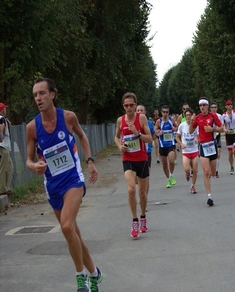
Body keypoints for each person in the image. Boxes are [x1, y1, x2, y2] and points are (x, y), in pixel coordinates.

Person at [26, 78, 103, 292]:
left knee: (67, 226)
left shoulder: (68, 117)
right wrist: (35, 167)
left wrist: (90, 162)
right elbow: (28, 160)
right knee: (73, 234)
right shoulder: (32, 127)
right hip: (53, 185)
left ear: (52, 94)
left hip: (73, 180)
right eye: (35, 95)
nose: (38, 98)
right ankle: (95, 273)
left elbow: (82, 136)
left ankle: (81, 277)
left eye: (42, 93)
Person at [114, 93, 153, 239]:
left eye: (131, 105)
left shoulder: (141, 118)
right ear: (123, 106)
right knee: (131, 189)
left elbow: (150, 139)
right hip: (128, 158)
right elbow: (116, 137)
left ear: (135, 105)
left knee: (142, 193)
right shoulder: (120, 120)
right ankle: (135, 220)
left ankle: (143, 216)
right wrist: (119, 146)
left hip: (141, 159)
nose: (129, 108)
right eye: (126, 105)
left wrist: (138, 134)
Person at [189, 97, 224, 206]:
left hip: (212, 145)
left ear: (207, 106)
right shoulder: (198, 118)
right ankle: (209, 195)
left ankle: (210, 178)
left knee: (213, 173)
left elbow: (222, 128)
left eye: (204, 105)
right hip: (203, 145)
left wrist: (212, 129)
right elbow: (191, 131)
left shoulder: (213, 116)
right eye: (200, 105)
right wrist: (191, 122)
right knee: (206, 171)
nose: (202, 107)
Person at [136, 105, 155, 211]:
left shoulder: (149, 123)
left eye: (141, 110)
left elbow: (152, 136)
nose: (139, 112)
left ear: (145, 112)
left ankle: (144, 199)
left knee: (145, 178)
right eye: (137, 110)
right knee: (136, 179)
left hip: (146, 153)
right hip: (134, 154)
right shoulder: (132, 121)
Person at [176, 108, 199, 194]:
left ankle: (193, 185)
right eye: (186, 115)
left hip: (194, 150)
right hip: (186, 151)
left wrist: (198, 140)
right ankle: (187, 173)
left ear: (193, 116)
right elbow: (177, 136)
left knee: (195, 169)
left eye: (190, 115)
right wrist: (181, 144)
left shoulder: (196, 125)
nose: (188, 117)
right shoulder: (182, 125)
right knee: (186, 169)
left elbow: (200, 136)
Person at [154, 105, 177, 188]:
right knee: (164, 165)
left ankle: (171, 175)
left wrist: (175, 128)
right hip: (162, 145)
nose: (165, 113)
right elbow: (155, 130)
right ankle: (168, 179)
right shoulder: (159, 121)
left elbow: (178, 127)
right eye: (164, 112)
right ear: (161, 112)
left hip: (171, 144)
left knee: (171, 161)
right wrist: (158, 133)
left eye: (167, 112)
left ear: (169, 112)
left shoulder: (172, 120)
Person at [0, 102, 14, 196]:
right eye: (4, 108)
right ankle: (2, 189)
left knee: (10, 167)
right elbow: (1, 128)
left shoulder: (3, 119)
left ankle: (6, 187)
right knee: (3, 168)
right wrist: (1, 136)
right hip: (3, 146)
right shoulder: (1, 120)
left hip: (5, 146)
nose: (6, 110)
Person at [210, 102, 223, 178]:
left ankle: (216, 171)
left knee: (218, 153)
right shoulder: (208, 116)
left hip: (217, 136)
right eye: (212, 107)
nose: (214, 109)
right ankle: (211, 169)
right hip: (210, 137)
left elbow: (222, 127)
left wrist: (216, 129)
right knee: (211, 155)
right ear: (210, 109)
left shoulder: (219, 116)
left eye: (215, 107)